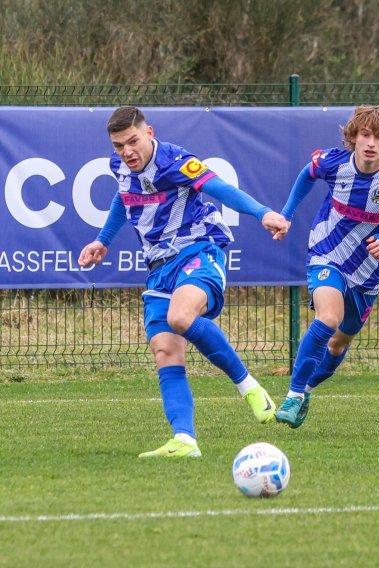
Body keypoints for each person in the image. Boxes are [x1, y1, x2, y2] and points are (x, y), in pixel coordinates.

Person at [78, 106, 289, 458]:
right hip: (158, 268)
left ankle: (249, 387)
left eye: (132, 141)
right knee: (165, 351)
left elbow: (220, 188)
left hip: (198, 251)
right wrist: (103, 240)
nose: (127, 152)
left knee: (180, 316)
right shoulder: (119, 168)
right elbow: (123, 198)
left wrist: (263, 213)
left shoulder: (176, 161)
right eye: (118, 146)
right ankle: (184, 440)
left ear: (149, 132)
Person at [269, 105, 379, 428]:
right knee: (328, 317)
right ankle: (294, 394)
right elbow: (307, 174)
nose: (371, 143)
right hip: (326, 253)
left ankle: (308, 389)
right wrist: (286, 214)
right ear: (353, 137)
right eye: (365, 135)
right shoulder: (333, 162)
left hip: (368, 273)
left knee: (338, 343)